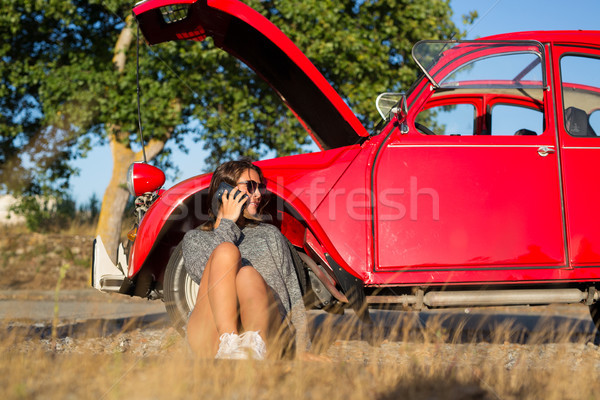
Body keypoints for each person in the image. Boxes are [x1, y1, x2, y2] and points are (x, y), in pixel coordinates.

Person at [182, 159, 310, 360]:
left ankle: (252, 347)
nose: (258, 194)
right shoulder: (195, 239)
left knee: (247, 274)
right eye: (250, 187)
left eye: (260, 187)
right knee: (226, 252)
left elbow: (292, 293)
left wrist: (303, 350)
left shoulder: (270, 235)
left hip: (267, 332)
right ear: (225, 191)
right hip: (211, 336)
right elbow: (209, 278)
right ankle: (229, 342)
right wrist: (227, 224)